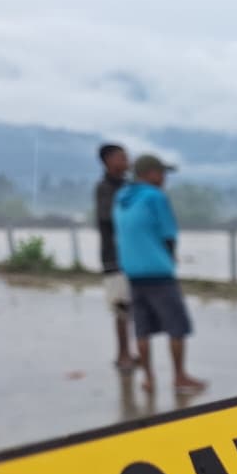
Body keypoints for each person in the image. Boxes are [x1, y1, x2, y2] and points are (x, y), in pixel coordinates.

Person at [113, 154, 207, 394]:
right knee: (177, 326)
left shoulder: (122, 198)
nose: (164, 178)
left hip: (133, 273)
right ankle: (179, 377)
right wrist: (171, 255)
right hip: (158, 273)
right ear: (150, 173)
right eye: (161, 173)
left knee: (142, 329)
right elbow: (168, 234)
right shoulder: (155, 197)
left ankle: (148, 379)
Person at [96, 143, 137, 369]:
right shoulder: (104, 188)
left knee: (132, 306)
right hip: (114, 256)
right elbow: (107, 218)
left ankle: (129, 351)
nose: (126, 162)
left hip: (132, 255)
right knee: (121, 306)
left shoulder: (127, 186)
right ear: (108, 161)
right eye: (122, 158)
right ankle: (123, 354)